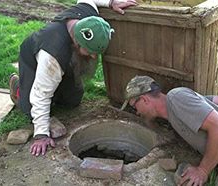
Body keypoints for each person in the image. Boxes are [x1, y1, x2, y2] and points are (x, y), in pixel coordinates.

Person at [9, 0, 137, 157]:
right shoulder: (52, 56)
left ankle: (56, 85)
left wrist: (111, 2)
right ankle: (17, 88)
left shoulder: (89, 17)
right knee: (31, 107)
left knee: (72, 100)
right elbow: (41, 94)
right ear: (77, 42)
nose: (93, 56)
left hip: (62, 60)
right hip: (33, 58)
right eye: (89, 52)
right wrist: (41, 135)